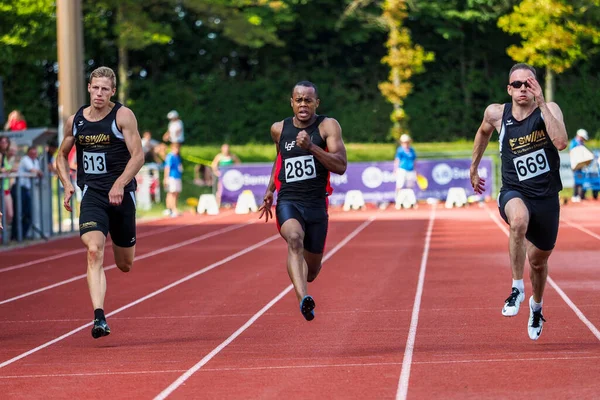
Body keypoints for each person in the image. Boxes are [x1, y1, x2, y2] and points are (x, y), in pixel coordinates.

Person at [469, 63, 567, 341]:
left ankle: (536, 306)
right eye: (517, 84)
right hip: (514, 190)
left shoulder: (550, 109)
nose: (523, 88)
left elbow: (560, 142)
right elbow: (483, 132)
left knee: (538, 261)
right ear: (508, 89)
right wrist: (473, 167)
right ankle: (516, 288)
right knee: (518, 221)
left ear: (535, 86)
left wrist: (542, 103)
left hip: (546, 196)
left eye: (529, 83)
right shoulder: (496, 113)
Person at [55, 66, 144, 339]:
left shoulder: (123, 116)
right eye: (96, 88)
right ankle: (99, 317)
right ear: (89, 88)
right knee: (94, 249)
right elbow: (60, 156)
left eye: (105, 89)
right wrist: (68, 184)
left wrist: (119, 183)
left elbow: (138, 155)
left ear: (112, 92)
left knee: (124, 264)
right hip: (92, 194)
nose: (99, 93)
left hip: (121, 196)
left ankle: (123, 248)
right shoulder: (76, 121)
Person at [258, 81, 347, 322]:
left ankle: (305, 286)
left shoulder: (328, 126)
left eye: (308, 100)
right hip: (289, 201)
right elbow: (280, 159)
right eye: (299, 100)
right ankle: (303, 299)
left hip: (317, 204)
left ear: (317, 103)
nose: (303, 104)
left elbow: (340, 165)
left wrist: (311, 148)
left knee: (312, 271)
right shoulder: (279, 128)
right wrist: (270, 190)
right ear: (291, 102)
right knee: (294, 239)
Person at [11, 146, 43, 241]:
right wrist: (38, 172)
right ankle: (15, 235)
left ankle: (22, 234)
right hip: (20, 188)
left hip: (27, 190)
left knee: (28, 213)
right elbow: (34, 171)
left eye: (35, 153)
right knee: (18, 212)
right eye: (32, 153)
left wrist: (38, 172)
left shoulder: (35, 161)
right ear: (28, 153)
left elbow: (38, 172)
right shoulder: (25, 159)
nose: (34, 155)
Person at [568, 128, 589, 202]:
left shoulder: (582, 143)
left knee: (581, 179)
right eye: (582, 138)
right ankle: (575, 195)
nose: (583, 139)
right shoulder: (573, 143)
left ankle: (580, 195)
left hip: (581, 164)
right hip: (575, 164)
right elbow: (571, 152)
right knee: (577, 180)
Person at [163, 142, 183, 217]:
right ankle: (171, 209)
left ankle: (173, 208)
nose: (177, 150)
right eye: (176, 148)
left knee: (176, 193)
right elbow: (167, 167)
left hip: (177, 176)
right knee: (171, 193)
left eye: (178, 148)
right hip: (172, 177)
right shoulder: (170, 156)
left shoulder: (177, 157)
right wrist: (166, 178)